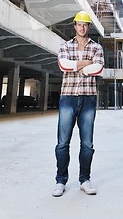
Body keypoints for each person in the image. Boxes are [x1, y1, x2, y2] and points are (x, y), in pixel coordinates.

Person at [52, 11, 104, 197]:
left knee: (87, 144)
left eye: (85, 25)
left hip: (89, 98)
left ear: (88, 27)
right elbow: (63, 65)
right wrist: (84, 63)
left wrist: (77, 67)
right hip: (68, 97)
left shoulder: (97, 47)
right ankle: (60, 181)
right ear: (74, 26)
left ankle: (85, 180)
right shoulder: (65, 45)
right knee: (62, 143)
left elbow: (98, 68)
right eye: (79, 24)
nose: (82, 28)